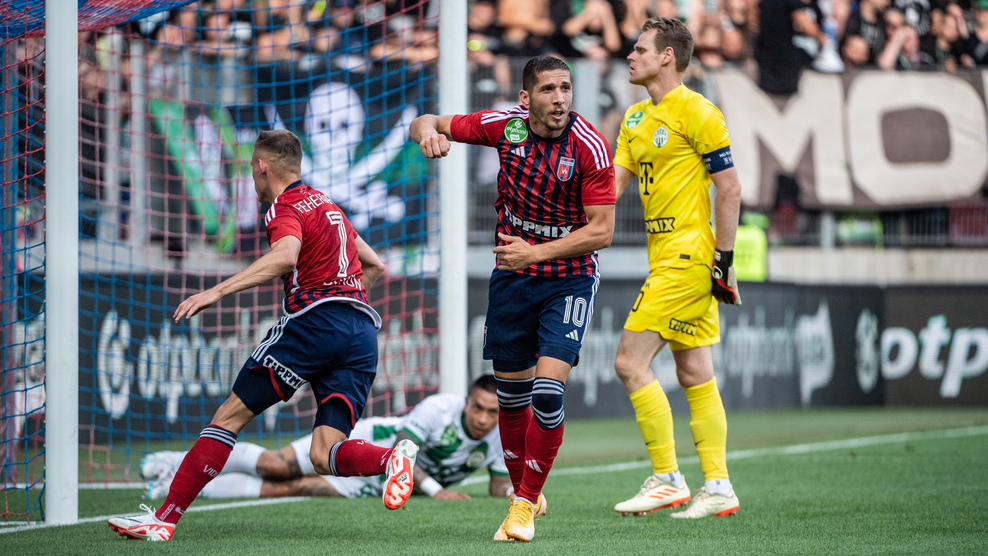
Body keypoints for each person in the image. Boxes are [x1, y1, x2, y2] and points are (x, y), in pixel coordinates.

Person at [107, 130, 417, 542]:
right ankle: (391, 459)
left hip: (314, 323)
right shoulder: (329, 206)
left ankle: (163, 520)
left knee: (227, 419)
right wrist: (343, 309)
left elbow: (285, 256)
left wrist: (215, 292)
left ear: (260, 167)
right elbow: (374, 264)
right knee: (323, 453)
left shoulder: (284, 206)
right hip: (361, 332)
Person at [410, 55, 616, 542]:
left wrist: (536, 252)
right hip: (512, 277)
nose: (560, 99)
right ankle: (525, 491)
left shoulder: (589, 146)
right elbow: (427, 119)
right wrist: (427, 135)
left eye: (565, 88)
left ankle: (523, 503)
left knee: (547, 393)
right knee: (511, 399)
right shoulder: (506, 126)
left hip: (568, 278)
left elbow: (602, 231)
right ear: (525, 98)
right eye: (548, 89)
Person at [611, 16, 743, 520]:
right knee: (693, 371)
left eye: (640, 49)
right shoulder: (634, 118)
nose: (631, 56)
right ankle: (719, 486)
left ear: (667, 56)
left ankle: (667, 478)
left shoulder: (699, 112)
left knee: (629, 363)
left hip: (689, 257)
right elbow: (609, 190)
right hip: (664, 256)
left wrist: (723, 261)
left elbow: (729, 188)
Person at [141, 375, 522, 502]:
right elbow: (402, 452)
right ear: (467, 402)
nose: (484, 419)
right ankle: (175, 464)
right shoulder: (438, 409)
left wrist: (514, 495)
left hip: (381, 485)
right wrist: (437, 492)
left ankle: (181, 486)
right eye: (478, 408)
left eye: (492, 413)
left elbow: (496, 484)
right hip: (365, 446)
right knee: (276, 465)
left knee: (295, 487)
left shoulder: (499, 435)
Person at [754, 0, 826, 95]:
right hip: (786, 61)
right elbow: (805, 23)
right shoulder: (791, 2)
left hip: (766, 60)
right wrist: (821, 38)